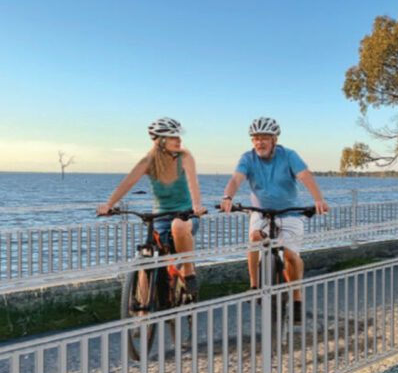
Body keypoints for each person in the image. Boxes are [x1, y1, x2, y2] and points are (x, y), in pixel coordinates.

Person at [219, 116, 329, 322]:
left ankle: (296, 298)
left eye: (264, 138)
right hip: (261, 212)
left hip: (290, 213)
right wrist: (227, 197)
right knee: (253, 238)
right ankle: (253, 285)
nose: (259, 142)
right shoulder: (247, 158)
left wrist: (318, 200)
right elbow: (236, 178)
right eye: (256, 138)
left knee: (289, 255)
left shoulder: (288, 155)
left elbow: (305, 176)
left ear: (274, 140)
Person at [97, 117, 207, 295]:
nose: (179, 140)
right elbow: (127, 183)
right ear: (160, 140)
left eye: (179, 136)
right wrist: (108, 205)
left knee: (178, 226)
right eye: (173, 137)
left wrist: (196, 205)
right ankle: (142, 312)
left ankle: (188, 270)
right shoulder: (148, 161)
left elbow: (193, 184)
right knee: (148, 256)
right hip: (161, 217)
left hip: (186, 214)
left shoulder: (185, 157)